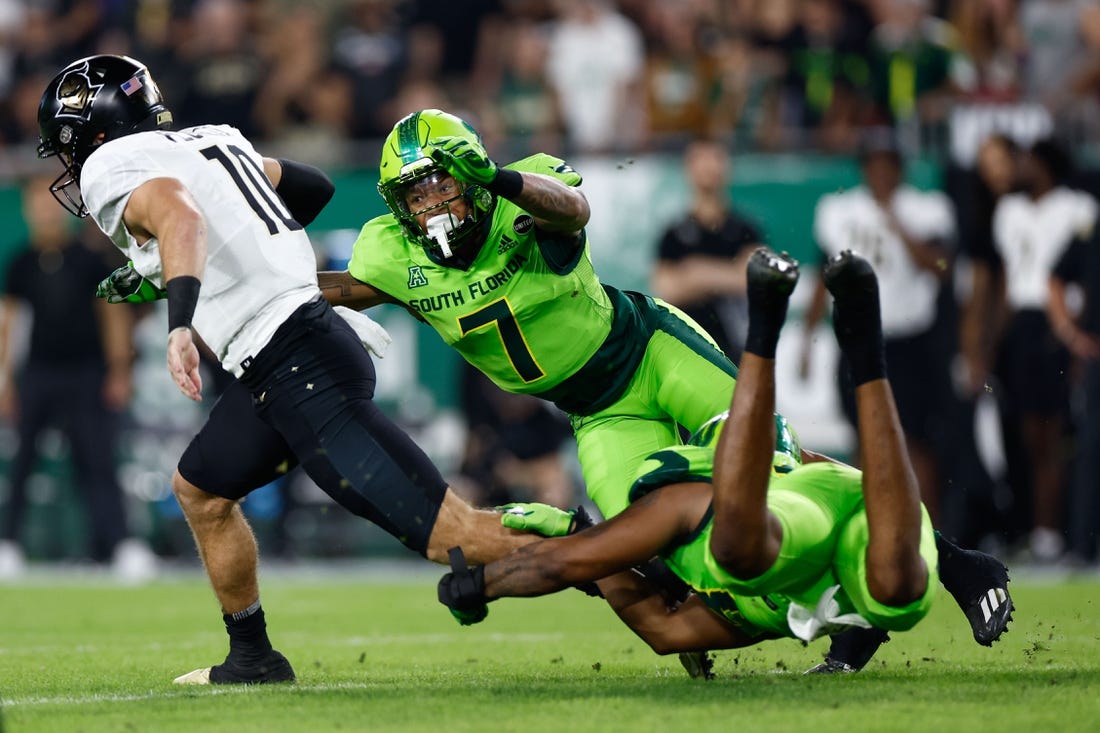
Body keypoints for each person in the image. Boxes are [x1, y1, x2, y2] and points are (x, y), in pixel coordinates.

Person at [36, 54, 543, 686]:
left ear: (94, 133)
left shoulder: (112, 164)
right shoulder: (211, 139)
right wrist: (225, 254)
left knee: (454, 538)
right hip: (292, 356)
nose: (68, 166)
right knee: (201, 491)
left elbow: (181, 216)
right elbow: (312, 188)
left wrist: (180, 320)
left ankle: (618, 559)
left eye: (66, 148)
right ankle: (253, 655)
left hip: (296, 362)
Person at [438, 249, 1014, 665]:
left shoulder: (682, 510)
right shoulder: (718, 609)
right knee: (882, 592)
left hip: (799, 507)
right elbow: (650, 621)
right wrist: (576, 534)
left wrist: (489, 582)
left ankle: (811, 339)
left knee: (877, 585)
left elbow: (568, 564)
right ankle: (860, 621)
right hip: (786, 517)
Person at [0, 177, 154, 582]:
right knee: (22, 464)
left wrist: (119, 370)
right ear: (28, 212)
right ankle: (9, 544)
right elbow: (9, 323)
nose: (46, 212)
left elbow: (113, 315)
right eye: (38, 205)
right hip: (38, 373)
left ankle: (120, 546)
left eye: (51, 206)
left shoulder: (89, 260)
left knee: (98, 461)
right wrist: (5, 381)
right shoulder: (20, 262)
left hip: (87, 373)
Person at [800, 133, 955, 523]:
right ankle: (867, 532)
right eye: (875, 164)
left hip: (910, 341)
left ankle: (931, 536)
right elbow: (824, 274)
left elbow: (939, 267)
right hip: (857, 340)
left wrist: (896, 222)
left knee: (917, 442)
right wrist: (807, 337)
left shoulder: (926, 208)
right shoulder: (839, 210)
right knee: (864, 441)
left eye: (890, 163)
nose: (882, 172)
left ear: (901, 168)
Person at [991, 138, 1096, 561]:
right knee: (1022, 433)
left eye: (1030, 162)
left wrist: (1072, 331)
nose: (1020, 169)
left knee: (1054, 434)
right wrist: (990, 342)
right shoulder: (1008, 210)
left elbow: (1086, 277)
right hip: (1019, 325)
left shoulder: (1078, 208)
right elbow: (1004, 281)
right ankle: (1034, 527)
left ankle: (1055, 531)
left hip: (1057, 324)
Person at [651, 138, 761, 365]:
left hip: (737, 350)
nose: (709, 166)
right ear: (688, 168)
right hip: (689, 351)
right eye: (701, 158)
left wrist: (695, 273)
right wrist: (728, 274)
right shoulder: (673, 235)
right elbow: (667, 290)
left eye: (716, 158)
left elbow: (754, 280)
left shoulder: (745, 230)